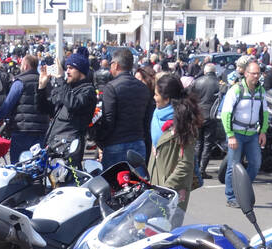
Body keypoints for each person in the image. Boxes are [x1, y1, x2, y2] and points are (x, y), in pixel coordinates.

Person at [148, 73, 202, 227]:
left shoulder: (184, 123)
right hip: (155, 184)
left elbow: (185, 164)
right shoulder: (157, 115)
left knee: (168, 232)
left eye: (156, 94)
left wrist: (166, 188)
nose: (154, 97)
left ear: (167, 99)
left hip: (173, 189)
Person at [93, 47, 152, 169]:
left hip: (116, 143)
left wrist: (100, 140)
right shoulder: (143, 88)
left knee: (114, 184)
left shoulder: (111, 87)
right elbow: (147, 121)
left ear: (116, 65)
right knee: (137, 184)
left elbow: (108, 119)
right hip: (138, 142)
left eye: (111, 64)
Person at [220, 58, 267, 208]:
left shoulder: (261, 91)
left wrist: (263, 132)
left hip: (253, 133)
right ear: (246, 73)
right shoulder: (236, 89)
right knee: (233, 166)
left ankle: (243, 190)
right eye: (253, 73)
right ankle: (231, 196)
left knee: (255, 163)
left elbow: (265, 113)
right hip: (237, 133)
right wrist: (230, 135)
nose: (256, 76)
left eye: (258, 73)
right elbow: (226, 113)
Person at [42, 50, 97, 158]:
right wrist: (41, 87)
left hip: (69, 150)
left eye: (71, 68)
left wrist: (59, 78)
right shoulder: (66, 89)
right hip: (53, 146)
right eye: (66, 68)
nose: (67, 71)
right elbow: (46, 109)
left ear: (81, 71)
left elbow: (73, 104)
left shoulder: (88, 91)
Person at [0, 53, 48, 162]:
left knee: (18, 162)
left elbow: (8, 103)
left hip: (22, 128)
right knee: (38, 162)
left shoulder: (20, 82)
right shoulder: (44, 80)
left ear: (25, 66)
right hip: (41, 128)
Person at [192, 62, 222, 182]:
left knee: (198, 143)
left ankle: (196, 169)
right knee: (208, 144)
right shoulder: (218, 83)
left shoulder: (197, 81)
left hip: (199, 115)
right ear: (214, 72)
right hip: (211, 115)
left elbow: (189, 95)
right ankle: (202, 169)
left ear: (205, 71)